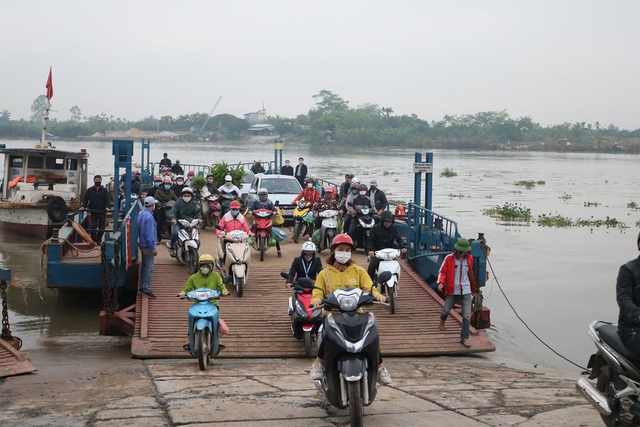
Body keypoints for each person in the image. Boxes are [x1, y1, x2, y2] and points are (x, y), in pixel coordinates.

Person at [309, 234, 391, 385]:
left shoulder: (358, 271)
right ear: (333, 251)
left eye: (347, 250)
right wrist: (316, 299)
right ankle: (319, 362)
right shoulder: (324, 273)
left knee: (371, 333)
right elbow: (318, 291)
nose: (344, 252)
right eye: (341, 249)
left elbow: (369, 287)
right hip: (333, 314)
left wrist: (378, 295)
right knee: (325, 330)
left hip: (356, 314)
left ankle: (380, 367)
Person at [178, 254, 229, 350]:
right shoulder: (194, 277)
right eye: (202, 266)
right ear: (199, 266)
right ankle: (189, 339)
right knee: (192, 319)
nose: (205, 268)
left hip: (212, 303)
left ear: (211, 266)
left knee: (216, 321)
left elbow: (221, 286)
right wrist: (183, 293)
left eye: (207, 265)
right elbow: (186, 288)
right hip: (198, 303)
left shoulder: (216, 276)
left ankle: (218, 339)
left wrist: (224, 291)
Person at [436, 238, 478, 348]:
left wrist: (474, 288)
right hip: (452, 289)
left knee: (467, 316)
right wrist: (441, 283)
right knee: (446, 310)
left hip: (466, 290)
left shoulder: (469, 259)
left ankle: (464, 338)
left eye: (464, 252)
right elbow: (442, 272)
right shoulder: (449, 259)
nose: (462, 254)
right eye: (461, 252)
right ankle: (442, 321)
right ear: (457, 250)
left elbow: (470, 273)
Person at [366, 211, 407, 282]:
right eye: (386, 221)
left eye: (389, 221)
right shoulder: (376, 228)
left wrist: (402, 247)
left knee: (396, 265)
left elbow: (398, 238)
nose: (387, 223)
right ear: (382, 221)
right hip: (377, 252)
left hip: (389, 252)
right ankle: (369, 283)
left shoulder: (393, 228)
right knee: (372, 265)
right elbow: (371, 240)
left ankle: (395, 280)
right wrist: (371, 250)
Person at [617, 232, 640, 354]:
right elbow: (623, 298)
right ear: (639, 245)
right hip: (631, 328)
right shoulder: (627, 270)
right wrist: (637, 314)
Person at [216, 200, 253, 265]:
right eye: (233, 209)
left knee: (245, 250)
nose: (235, 210)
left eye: (236, 209)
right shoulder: (226, 216)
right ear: (230, 209)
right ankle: (224, 263)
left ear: (238, 209)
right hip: (228, 237)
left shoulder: (241, 217)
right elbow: (220, 226)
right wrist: (219, 234)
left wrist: (249, 233)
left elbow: (246, 227)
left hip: (239, 238)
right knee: (226, 251)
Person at [247, 188, 282, 257]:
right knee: (249, 231)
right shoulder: (256, 202)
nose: (263, 196)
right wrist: (250, 211)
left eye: (264, 195)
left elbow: (273, 209)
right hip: (257, 220)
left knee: (274, 233)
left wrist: (275, 211)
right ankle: (244, 250)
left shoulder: (269, 202)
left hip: (267, 220)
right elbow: (251, 208)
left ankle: (279, 250)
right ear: (259, 195)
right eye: (261, 195)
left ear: (267, 195)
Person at [167, 187, 202, 254]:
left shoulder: (194, 204)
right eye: (185, 196)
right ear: (182, 196)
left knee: (197, 238)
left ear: (191, 196)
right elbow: (173, 211)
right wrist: (173, 218)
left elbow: (197, 212)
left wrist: (199, 218)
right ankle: (171, 247)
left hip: (190, 223)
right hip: (179, 223)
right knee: (175, 232)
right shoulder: (178, 203)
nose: (186, 197)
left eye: (188, 196)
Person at [80, 175, 111, 243]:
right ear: (94, 181)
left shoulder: (104, 191)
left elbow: (107, 200)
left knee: (102, 228)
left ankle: (99, 239)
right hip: (93, 211)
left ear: (101, 181)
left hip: (102, 212)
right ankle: (94, 239)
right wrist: (83, 206)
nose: (98, 182)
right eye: (96, 180)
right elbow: (85, 199)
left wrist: (107, 207)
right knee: (93, 227)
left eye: (99, 180)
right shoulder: (90, 190)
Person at [138, 196, 158, 299]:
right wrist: (153, 248)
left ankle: (142, 286)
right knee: (149, 268)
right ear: (152, 205)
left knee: (144, 266)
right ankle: (146, 289)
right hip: (148, 246)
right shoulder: (149, 217)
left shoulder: (141, 214)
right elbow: (150, 235)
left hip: (142, 244)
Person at [154, 176, 178, 240]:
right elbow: (156, 200)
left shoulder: (172, 192)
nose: (167, 185)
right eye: (166, 184)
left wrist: (179, 204)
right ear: (163, 184)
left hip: (170, 209)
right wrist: (160, 205)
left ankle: (172, 236)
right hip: (161, 209)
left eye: (169, 184)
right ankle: (158, 238)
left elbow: (176, 199)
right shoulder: (158, 191)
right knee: (159, 222)